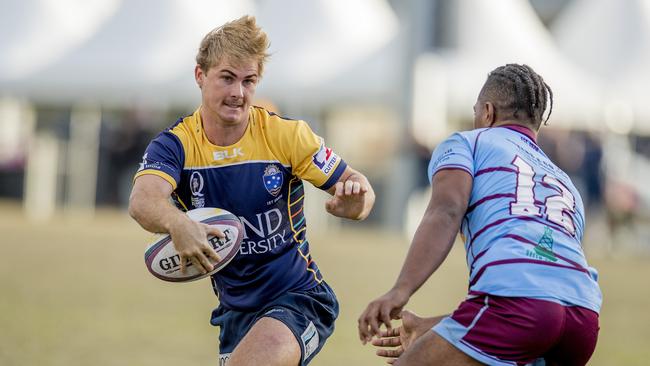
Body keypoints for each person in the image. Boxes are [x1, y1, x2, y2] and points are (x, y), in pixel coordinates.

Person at [128, 15, 375, 366]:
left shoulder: (287, 136)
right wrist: (177, 223)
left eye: (249, 81)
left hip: (299, 298)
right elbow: (143, 200)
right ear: (200, 75)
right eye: (227, 78)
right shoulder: (175, 145)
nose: (238, 93)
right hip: (236, 313)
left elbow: (359, 190)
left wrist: (356, 203)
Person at [358, 63, 602, 365]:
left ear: (487, 112)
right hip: (583, 319)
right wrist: (434, 329)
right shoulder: (565, 184)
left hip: (520, 305)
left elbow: (446, 211)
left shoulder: (468, 143)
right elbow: (544, 293)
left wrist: (400, 290)